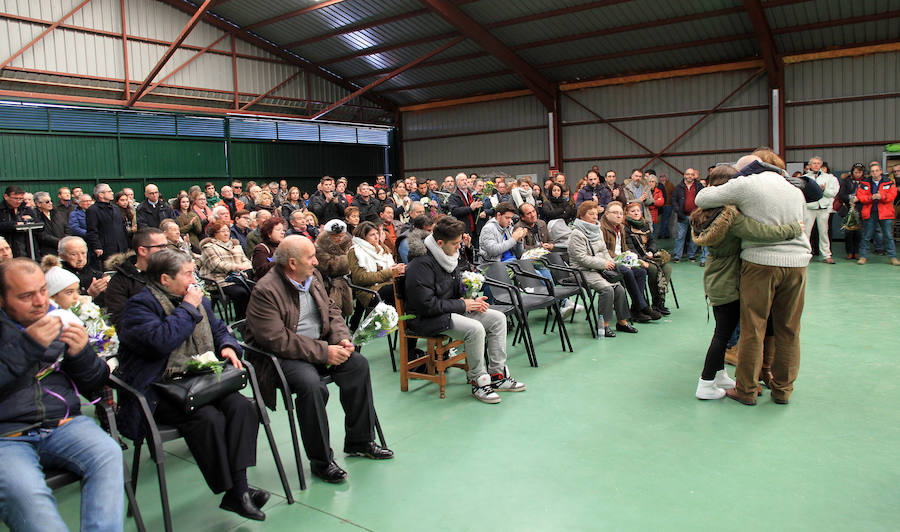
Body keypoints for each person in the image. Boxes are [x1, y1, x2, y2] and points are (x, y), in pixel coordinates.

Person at [116, 250, 267, 520]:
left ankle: (239, 491)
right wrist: (187, 307)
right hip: (159, 389)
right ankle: (235, 490)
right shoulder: (139, 307)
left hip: (203, 380)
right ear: (164, 279)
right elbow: (160, 341)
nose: (193, 278)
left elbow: (220, 330)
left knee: (243, 408)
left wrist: (228, 347)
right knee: (208, 419)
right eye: (187, 274)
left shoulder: (196, 298)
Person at [246, 235, 393, 483]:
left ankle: (359, 440)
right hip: (282, 357)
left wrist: (341, 338)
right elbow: (278, 340)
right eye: (311, 257)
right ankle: (321, 460)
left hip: (319, 346)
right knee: (311, 386)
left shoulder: (311, 278)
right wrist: (325, 352)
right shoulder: (265, 291)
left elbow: (332, 311)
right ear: (292, 263)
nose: (316, 261)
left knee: (357, 365)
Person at [0, 258, 124, 532]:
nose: (39, 301)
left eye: (42, 290)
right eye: (26, 296)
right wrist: (27, 347)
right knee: (26, 495)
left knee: (108, 454)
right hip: (7, 436)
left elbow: (94, 383)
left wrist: (82, 355)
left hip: (62, 424)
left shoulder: (58, 319)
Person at [695, 151, 811, 405]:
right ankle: (783, 390)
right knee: (789, 329)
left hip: (760, 263)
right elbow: (805, 223)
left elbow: (702, 197)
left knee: (753, 328)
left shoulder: (746, 184)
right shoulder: (793, 188)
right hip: (799, 262)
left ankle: (746, 390)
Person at [405, 216, 526, 403]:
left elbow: (454, 289)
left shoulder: (447, 255)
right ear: (439, 243)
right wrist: (463, 305)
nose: (458, 247)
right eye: (455, 244)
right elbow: (426, 305)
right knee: (475, 329)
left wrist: (470, 298)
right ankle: (479, 380)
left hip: (449, 310)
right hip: (426, 318)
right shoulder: (420, 264)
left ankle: (496, 375)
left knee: (497, 318)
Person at [567, 201, 634, 336]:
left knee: (619, 288)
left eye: (596, 214)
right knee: (607, 289)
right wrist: (603, 264)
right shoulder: (576, 234)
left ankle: (622, 322)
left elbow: (604, 250)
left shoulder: (596, 229)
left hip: (598, 269)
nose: (594, 217)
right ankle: (603, 326)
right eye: (590, 214)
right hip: (581, 271)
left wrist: (609, 262)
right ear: (581, 216)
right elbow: (581, 258)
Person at [600, 201, 659, 322]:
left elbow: (625, 248)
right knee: (628, 272)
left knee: (641, 271)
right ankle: (642, 306)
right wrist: (624, 261)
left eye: (620, 213)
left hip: (622, 260)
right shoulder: (602, 229)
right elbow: (605, 251)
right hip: (608, 262)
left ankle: (636, 309)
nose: (618, 216)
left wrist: (634, 260)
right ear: (606, 214)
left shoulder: (620, 228)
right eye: (615, 213)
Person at [104, 227, 168, 328]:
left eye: (166, 246)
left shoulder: (169, 273)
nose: (167, 251)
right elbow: (119, 319)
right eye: (161, 247)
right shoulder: (120, 282)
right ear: (142, 250)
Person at [348, 221, 404, 328]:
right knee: (402, 287)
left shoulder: (380, 248)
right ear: (363, 236)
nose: (376, 237)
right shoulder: (356, 251)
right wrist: (389, 272)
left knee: (407, 282)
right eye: (372, 235)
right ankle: (407, 324)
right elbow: (360, 278)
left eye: (377, 234)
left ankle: (407, 323)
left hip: (384, 285)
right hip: (370, 291)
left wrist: (397, 269)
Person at [624, 201, 672, 315]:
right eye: (633, 211)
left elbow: (652, 240)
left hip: (650, 255)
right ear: (627, 213)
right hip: (637, 258)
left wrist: (651, 251)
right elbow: (630, 248)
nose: (636, 213)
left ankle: (659, 301)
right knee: (653, 270)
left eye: (638, 210)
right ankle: (651, 304)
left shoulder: (644, 225)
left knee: (667, 268)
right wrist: (645, 257)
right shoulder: (625, 228)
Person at [199, 220, 253, 320]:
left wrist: (246, 265)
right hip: (220, 281)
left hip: (238, 278)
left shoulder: (236, 246)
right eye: (222, 231)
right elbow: (216, 265)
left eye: (227, 231)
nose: (226, 233)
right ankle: (241, 319)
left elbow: (246, 261)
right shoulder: (209, 247)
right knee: (241, 292)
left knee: (254, 288)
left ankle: (251, 317)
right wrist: (238, 267)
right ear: (215, 234)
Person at [856, 161, 898, 265]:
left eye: (876, 171)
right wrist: (871, 198)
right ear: (870, 173)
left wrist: (882, 196)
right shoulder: (864, 183)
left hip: (885, 213)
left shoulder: (889, 182)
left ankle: (893, 257)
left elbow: (893, 195)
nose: (874, 173)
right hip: (870, 213)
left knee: (888, 236)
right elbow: (860, 196)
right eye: (872, 171)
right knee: (866, 236)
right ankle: (863, 257)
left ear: (880, 171)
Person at [803, 157, 839, 264]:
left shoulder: (830, 178)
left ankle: (826, 255)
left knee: (824, 232)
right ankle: (805, 254)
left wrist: (824, 190)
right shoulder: (805, 178)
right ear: (809, 165)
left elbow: (833, 192)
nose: (816, 165)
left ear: (821, 165)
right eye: (814, 163)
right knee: (806, 232)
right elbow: (802, 193)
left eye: (818, 163)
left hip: (823, 208)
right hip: (809, 208)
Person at [315, 219, 354, 318]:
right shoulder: (320, 246)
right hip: (327, 284)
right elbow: (330, 266)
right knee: (331, 313)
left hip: (344, 282)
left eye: (342, 236)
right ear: (329, 235)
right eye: (336, 236)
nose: (340, 239)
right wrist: (347, 260)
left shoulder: (347, 242)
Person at [86, 183, 129, 268]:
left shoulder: (115, 208)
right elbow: (92, 230)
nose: (112, 193)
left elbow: (122, 227)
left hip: (121, 247)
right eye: (109, 191)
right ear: (101, 195)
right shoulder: (93, 210)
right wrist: (97, 246)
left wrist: (127, 244)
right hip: (106, 248)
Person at [58, 236, 108, 301]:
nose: (80, 258)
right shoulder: (58, 278)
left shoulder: (98, 276)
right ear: (62, 256)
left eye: (83, 253)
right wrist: (88, 294)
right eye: (74, 254)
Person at [671, 168, 704, 262]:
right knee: (680, 237)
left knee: (693, 237)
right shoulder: (678, 187)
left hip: (695, 217)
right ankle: (677, 256)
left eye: (692, 174)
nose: (690, 176)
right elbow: (674, 200)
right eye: (688, 174)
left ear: (694, 176)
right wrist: (678, 211)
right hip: (682, 216)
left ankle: (691, 255)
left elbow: (703, 198)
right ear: (684, 175)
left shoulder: (699, 186)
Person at [836, 163, 865, 259]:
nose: (857, 174)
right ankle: (849, 252)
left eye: (860, 172)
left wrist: (859, 198)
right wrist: (850, 198)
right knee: (848, 232)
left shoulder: (866, 181)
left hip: (861, 209)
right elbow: (841, 195)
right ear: (852, 172)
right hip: (848, 210)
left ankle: (856, 252)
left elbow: (868, 195)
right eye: (856, 172)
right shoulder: (846, 181)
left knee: (859, 233)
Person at [0, 185, 37, 258]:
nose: (19, 201)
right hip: (9, 247)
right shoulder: (1, 210)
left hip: (27, 248)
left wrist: (31, 220)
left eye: (21, 199)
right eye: (16, 198)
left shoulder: (26, 209)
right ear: (6, 196)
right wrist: (14, 225)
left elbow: (40, 225)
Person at [251, 217, 286, 281]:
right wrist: (281, 260)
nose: (282, 232)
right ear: (269, 233)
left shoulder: (283, 247)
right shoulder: (261, 249)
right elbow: (261, 271)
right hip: (268, 285)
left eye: (283, 230)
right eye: (278, 230)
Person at [34, 191, 65, 258]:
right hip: (46, 250)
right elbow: (42, 235)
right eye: (47, 202)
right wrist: (59, 242)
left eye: (51, 201)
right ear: (39, 204)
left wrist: (66, 240)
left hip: (62, 247)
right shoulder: (35, 216)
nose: (50, 203)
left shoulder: (56, 213)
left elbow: (66, 227)